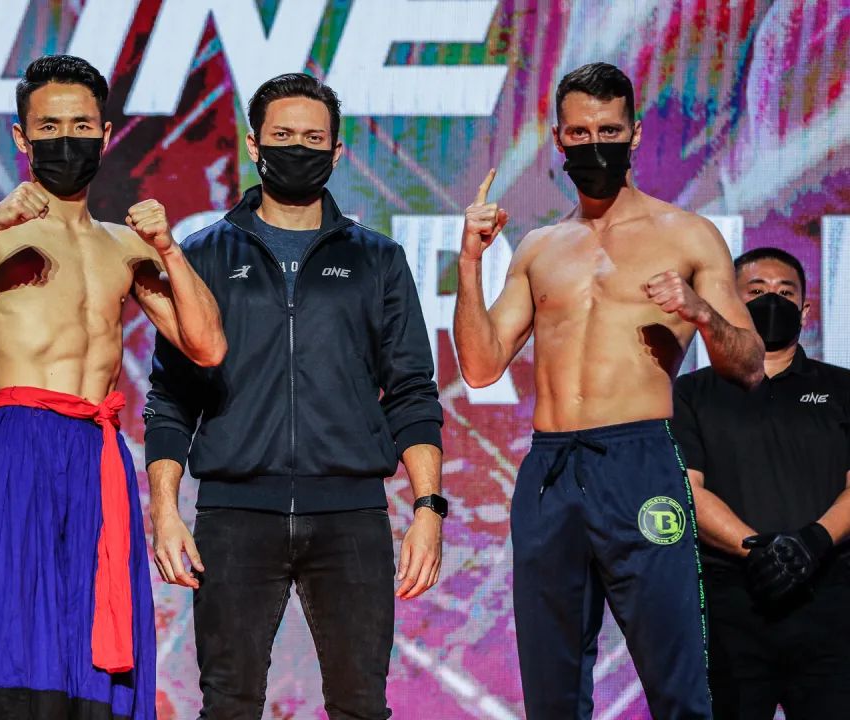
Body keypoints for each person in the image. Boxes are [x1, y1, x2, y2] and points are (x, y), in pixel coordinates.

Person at [0, 55, 226, 719]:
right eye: (49, 126)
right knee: (3, 625)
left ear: (105, 135)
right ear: (22, 137)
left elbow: (208, 346)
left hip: (96, 456)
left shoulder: (125, 245)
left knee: (84, 627)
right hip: (17, 442)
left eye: (80, 126)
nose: (65, 139)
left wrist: (170, 249)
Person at [454, 62, 766, 719]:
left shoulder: (688, 235)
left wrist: (701, 313)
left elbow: (749, 366)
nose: (594, 143)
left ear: (634, 133)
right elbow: (479, 367)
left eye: (609, 131)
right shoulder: (539, 247)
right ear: (558, 140)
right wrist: (471, 262)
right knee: (552, 689)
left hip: (639, 463)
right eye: (580, 132)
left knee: (677, 679)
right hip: (550, 471)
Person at [143, 73, 445, 720]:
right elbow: (170, 399)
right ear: (255, 145)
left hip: (351, 516)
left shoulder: (378, 260)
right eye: (283, 136)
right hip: (233, 515)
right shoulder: (201, 256)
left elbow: (412, 392)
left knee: (361, 707)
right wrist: (164, 510)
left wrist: (429, 507)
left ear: (337, 152)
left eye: (313, 139)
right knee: (228, 706)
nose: (298, 149)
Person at [672, 247, 850, 719]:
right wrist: (757, 551)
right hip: (729, 606)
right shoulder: (690, 393)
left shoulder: (844, 388)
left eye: (785, 293)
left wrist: (812, 542)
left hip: (831, 602)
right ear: (730, 301)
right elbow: (687, 490)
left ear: (805, 311)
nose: (772, 300)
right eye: (756, 290)